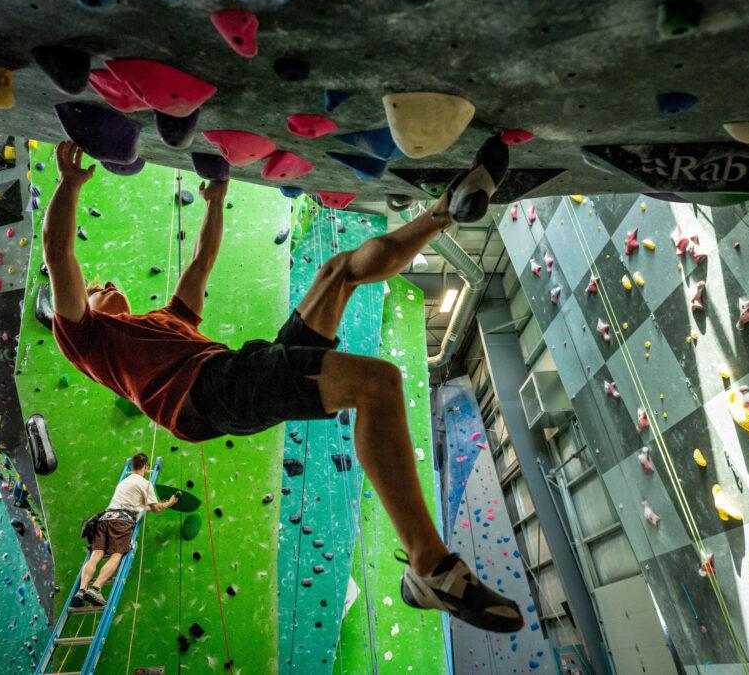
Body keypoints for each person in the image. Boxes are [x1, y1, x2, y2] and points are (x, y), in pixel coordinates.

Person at [45, 140, 522, 631]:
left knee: (337, 272)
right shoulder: (87, 339)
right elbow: (58, 253)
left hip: (234, 373)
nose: (102, 285)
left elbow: (204, 260)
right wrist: (68, 184)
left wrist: (214, 201)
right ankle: (430, 566)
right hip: (209, 394)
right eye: (96, 289)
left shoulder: (165, 320)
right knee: (378, 384)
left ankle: (446, 209)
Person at [74, 452, 178, 607]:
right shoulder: (145, 484)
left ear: (132, 466)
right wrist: (170, 502)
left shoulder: (123, 482)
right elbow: (155, 508)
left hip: (104, 519)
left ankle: (81, 590)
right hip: (121, 522)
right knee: (117, 554)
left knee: (96, 554)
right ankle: (95, 589)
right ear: (145, 467)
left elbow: (135, 504)